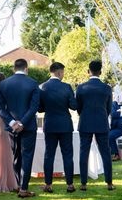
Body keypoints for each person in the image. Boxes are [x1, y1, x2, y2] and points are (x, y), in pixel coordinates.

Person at [0, 59, 40, 198]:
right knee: (27, 156)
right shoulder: (33, 83)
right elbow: (34, 107)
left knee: (16, 155)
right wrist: (22, 123)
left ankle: (18, 185)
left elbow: (0, 108)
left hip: (12, 127)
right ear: (26, 68)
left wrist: (12, 122)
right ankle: (23, 188)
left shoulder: (4, 84)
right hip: (28, 126)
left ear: (13, 69)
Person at [39, 62, 77, 193]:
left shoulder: (42, 87)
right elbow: (73, 106)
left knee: (49, 155)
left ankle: (48, 184)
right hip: (65, 125)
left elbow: (40, 108)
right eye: (63, 72)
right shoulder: (66, 87)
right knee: (68, 154)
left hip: (50, 125)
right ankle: (70, 184)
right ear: (59, 72)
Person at [76, 60, 114, 191]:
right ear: (101, 72)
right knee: (106, 153)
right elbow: (109, 108)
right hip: (101, 123)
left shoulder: (81, 87)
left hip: (85, 122)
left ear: (88, 71)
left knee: (83, 152)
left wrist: (84, 114)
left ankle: (83, 183)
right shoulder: (107, 88)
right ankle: (109, 182)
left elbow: (78, 108)